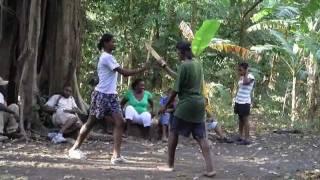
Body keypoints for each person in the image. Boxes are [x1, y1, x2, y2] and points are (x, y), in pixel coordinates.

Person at [68, 33, 150, 164]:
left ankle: (116, 156)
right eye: (112, 42)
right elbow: (124, 72)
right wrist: (142, 69)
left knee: (120, 122)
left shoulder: (109, 57)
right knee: (90, 123)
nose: (114, 44)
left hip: (111, 96)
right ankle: (74, 148)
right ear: (105, 43)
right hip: (101, 95)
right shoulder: (106, 57)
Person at [158, 41, 215, 177]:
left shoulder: (183, 66)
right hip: (199, 104)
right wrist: (164, 66)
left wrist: (165, 106)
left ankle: (170, 165)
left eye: (178, 52)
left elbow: (175, 90)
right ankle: (210, 169)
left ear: (182, 52)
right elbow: (179, 78)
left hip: (186, 104)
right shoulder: (197, 64)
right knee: (201, 137)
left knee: (173, 132)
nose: (177, 55)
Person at [234, 62, 255, 145]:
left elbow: (246, 83)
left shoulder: (250, 77)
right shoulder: (242, 77)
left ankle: (247, 139)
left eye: (241, 70)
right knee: (240, 119)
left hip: (245, 102)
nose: (239, 72)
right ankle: (240, 136)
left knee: (245, 120)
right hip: (239, 100)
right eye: (238, 70)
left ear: (246, 70)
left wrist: (246, 73)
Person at [0, 77, 20, 142]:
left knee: (14, 106)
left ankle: (11, 131)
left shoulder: (1, 95)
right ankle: (0, 133)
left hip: (2, 119)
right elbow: (0, 106)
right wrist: (13, 113)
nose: (4, 87)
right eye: (2, 85)